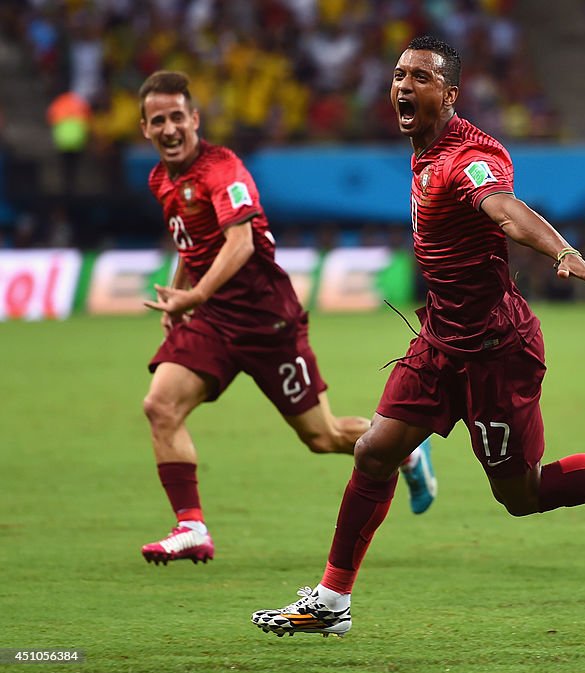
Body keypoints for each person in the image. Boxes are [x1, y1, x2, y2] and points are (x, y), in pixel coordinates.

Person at [251, 36, 585, 638]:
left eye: (420, 78)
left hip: (495, 354)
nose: (403, 85)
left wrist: (563, 250)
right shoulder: (422, 148)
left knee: (522, 496)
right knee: (374, 450)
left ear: (450, 95)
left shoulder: (471, 158)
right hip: (440, 340)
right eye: (399, 75)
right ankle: (332, 601)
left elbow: (506, 210)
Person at [136, 71, 437, 565]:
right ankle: (190, 525)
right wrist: (182, 293)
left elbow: (241, 242)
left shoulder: (223, 170)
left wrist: (194, 296)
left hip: (266, 321)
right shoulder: (160, 180)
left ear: (194, 119)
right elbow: (189, 241)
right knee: (160, 407)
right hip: (213, 321)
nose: (169, 128)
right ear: (145, 129)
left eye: (176, 117)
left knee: (321, 437)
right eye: (157, 121)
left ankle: (404, 451)